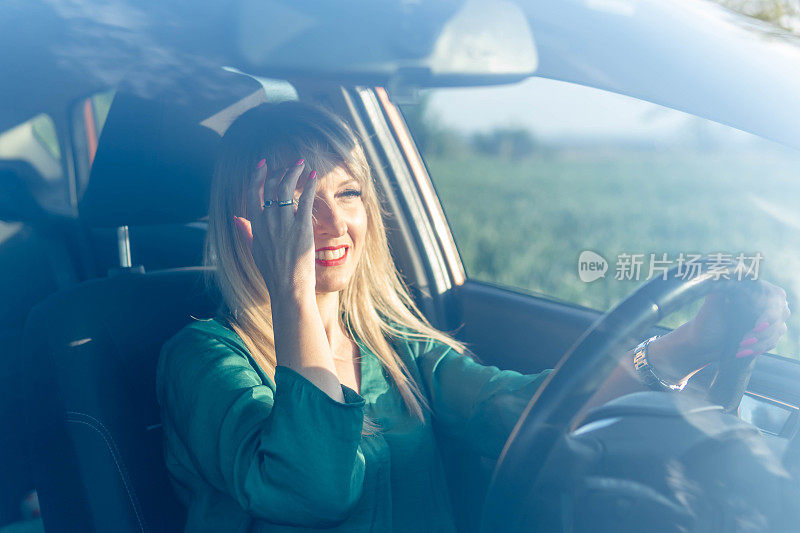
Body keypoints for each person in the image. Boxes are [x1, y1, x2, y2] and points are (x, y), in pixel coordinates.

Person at [155, 101, 790, 532]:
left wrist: (686, 346)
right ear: (243, 227)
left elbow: (523, 412)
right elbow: (313, 489)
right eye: (291, 203)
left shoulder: (396, 349)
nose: (331, 223)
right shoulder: (205, 357)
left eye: (346, 192)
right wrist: (293, 294)